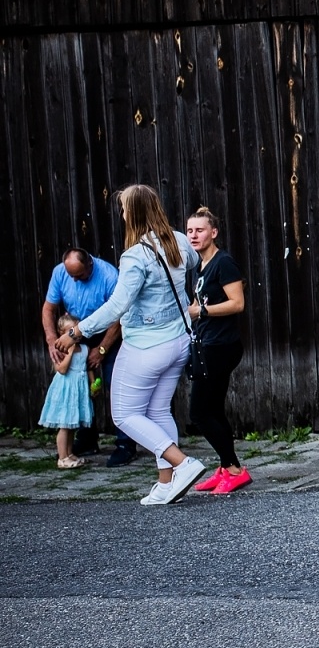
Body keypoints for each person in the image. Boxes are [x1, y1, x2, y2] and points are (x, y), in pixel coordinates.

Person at [53, 185, 206, 505]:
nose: (121, 214)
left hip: (146, 347)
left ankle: (183, 463)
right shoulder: (178, 240)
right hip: (178, 342)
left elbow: (115, 307)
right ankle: (166, 484)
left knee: (124, 414)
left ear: (133, 213)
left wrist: (74, 333)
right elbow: (193, 261)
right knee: (157, 410)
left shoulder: (136, 255)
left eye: (123, 208)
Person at [183, 207, 251, 495]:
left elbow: (237, 304)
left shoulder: (224, 263)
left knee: (199, 412)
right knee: (213, 409)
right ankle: (225, 467)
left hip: (221, 346)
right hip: (207, 344)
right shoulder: (200, 266)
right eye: (189, 231)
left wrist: (202, 311)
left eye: (199, 230)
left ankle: (235, 469)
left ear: (214, 232)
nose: (194, 235)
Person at [42, 248, 132, 464]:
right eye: (71, 275)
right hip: (75, 332)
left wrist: (102, 349)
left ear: (90, 265)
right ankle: (87, 439)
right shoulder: (60, 272)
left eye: (79, 276)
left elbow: (120, 315)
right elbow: (48, 309)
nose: (74, 279)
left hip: (107, 331)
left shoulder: (109, 276)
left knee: (115, 385)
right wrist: (52, 340)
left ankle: (125, 444)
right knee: (79, 385)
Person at [41, 313, 95, 469]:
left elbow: (88, 367)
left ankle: (70, 453)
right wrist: (70, 352)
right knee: (64, 425)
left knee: (72, 425)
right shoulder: (61, 349)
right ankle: (62, 458)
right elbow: (62, 369)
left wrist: (93, 383)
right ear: (61, 334)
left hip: (79, 390)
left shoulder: (85, 348)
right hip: (66, 390)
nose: (73, 334)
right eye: (69, 331)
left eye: (75, 330)